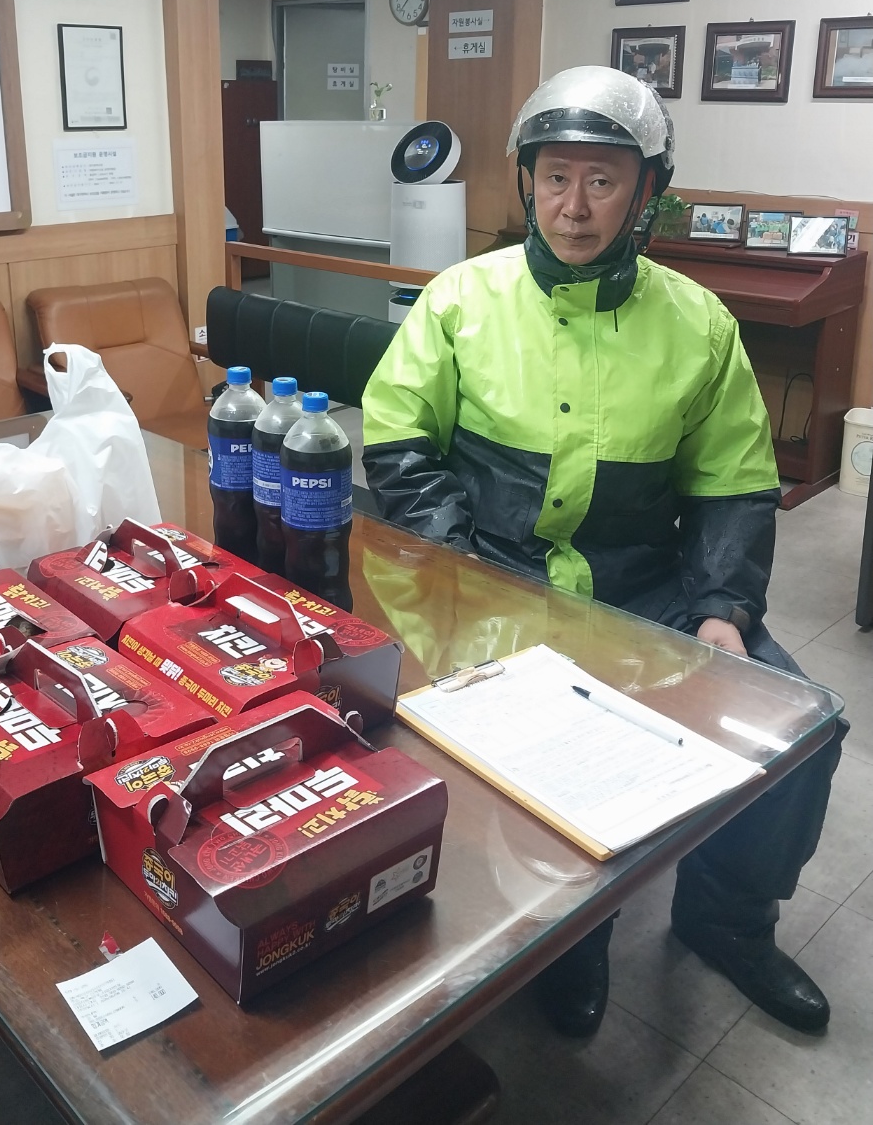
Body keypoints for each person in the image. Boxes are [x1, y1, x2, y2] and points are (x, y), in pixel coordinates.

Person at [361, 65, 845, 1040]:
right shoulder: (461, 299)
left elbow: (734, 483)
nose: (573, 208)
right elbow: (400, 447)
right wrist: (464, 577)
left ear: (645, 192)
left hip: (643, 587)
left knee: (798, 730)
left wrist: (722, 610)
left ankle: (727, 920)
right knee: (551, 748)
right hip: (493, 574)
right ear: (527, 182)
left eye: (601, 181)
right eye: (554, 178)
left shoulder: (698, 323)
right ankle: (570, 937)